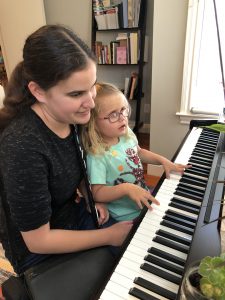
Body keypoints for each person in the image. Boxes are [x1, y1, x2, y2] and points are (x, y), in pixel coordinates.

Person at [0, 25, 133, 276]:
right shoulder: (22, 145)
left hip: (72, 217)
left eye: (92, 86)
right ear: (38, 91)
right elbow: (38, 241)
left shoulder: (69, 117)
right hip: (39, 252)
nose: (92, 102)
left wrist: (90, 197)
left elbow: (71, 167)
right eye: (76, 93)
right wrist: (107, 236)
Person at [81, 82, 191, 221]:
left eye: (123, 110)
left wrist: (163, 161)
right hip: (124, 215)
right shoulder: (97, 155)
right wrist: (126, 189)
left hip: (141, 200)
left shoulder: (126, 134)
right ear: (93, 123)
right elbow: (97, 193)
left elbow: (138, 152)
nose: (122, 118)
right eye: (113, 115)